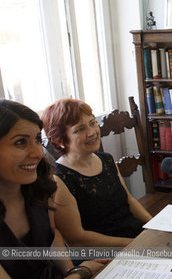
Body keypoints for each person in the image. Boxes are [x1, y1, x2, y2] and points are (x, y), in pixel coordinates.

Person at [0, 99, 107, 278]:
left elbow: (51, 234)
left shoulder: (40, 185)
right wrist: (82, 272)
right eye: (20, 142)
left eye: (36, 140)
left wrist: (70, 270)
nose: (38, 153)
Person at [41, 98, 152, 247]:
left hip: (134, 237)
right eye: (80, 129)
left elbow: (129, 200)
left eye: (93, 123)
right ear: (58, 140)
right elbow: (77, 238)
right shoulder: (59, 179)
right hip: (103, 252)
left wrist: (154, 227)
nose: (92, 132)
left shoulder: (107, 159)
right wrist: (133, 244)